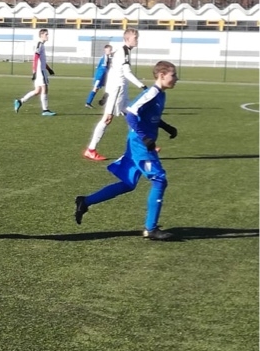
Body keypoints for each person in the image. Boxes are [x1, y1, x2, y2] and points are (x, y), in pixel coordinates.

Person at [74, 61, 179, 240]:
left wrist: (167, 127)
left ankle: (85, 201)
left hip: (139, 143)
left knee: (128, 183)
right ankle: (150, 229)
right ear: (162, 75)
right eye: (173, 75)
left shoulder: (161, 94)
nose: (176, 78)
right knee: (159, 180)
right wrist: (144, 138)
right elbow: (131, 113)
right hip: (140, 145)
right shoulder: (152, 93)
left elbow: (151, 117)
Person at [83, 27, 144, 160]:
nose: (137, 40)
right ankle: (91, 149)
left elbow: (112, 70)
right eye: (135, 38)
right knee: (107, 118)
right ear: (127, 38)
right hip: (118, 88)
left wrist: (107, 91)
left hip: (120, 88)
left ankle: (143, 145)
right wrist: (142, 86)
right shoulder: (124, 51)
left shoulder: (121, 50)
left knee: (132, 114)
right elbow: (126, 73)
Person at [14, 28, 56, 117]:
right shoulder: (40, 45)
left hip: (40, 70)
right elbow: (35, 58)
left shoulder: (41, 45)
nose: (47, 36)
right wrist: (34, 71)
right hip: (40, 71)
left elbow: (41, 61)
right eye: (46, 34)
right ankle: (45, 110)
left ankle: (20, 101)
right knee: (45, 88)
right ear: (41, 35)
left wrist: (49, 69)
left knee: (37, 91)